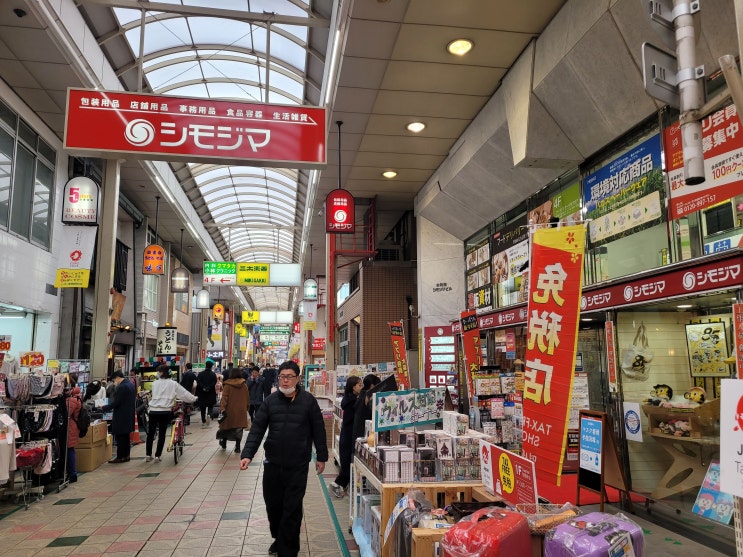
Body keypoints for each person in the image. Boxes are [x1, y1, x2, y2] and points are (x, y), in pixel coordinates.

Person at [240, 361, 328, 557]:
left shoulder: (308, 401)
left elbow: (319, 430)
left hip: (298, 464)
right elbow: (257, 429)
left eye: (289, 377)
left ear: (297, 379)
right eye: (282, 377)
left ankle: (288, 550)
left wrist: (322, 456)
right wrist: (247, 454)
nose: (285, 380)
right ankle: (279, 538)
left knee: (292, 508)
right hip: (273, 464)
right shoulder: (270, 401)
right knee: (273, 507)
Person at [146, 364, 198, 463]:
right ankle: (157, 456)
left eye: (159, 372)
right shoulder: (173, 384)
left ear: (162, 373)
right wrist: (194, 399)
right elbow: (184, 394)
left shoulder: (154, 383)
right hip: (165, 411)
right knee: (162, 433)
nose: (158, 373)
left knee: (150, 433)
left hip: (153, 411)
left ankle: (148, 455)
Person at [329, 375, 362, 498]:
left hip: (346, 435)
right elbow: (350, 420)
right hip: (348, 436)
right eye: (359, 385)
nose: (361, 387)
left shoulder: (348, 399)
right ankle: (336, 485)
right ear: (353, 387)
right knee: (347, 465)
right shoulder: (352, 402)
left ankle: (340, 486)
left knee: (347, 464)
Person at [102, 369, 136, 463]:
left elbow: (116, 402)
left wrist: (104, 407)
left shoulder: (122, 387)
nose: (114, 382)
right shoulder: (130, 384)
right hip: (128, 414)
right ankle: (126, 456)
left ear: (117, 378)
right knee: (126, 437)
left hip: (121, 415)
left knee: (120, 437)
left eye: (113, 380)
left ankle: (120, 456)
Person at [218, 366, 250, 453]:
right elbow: (247, 398)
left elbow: (224, 398)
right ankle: (238, 447)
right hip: (241, 410)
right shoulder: (244, 385)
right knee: (239, 429)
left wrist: (223, 408)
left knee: (225, 427)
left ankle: (224, 443)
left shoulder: (227, 385)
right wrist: (246, 408)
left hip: (229, 410)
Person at [352, 374, 381, 444]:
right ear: (372, 386)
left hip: (358, 431)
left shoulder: (361, 394)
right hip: (363, 432)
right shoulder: (369, 396)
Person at [64, 373, 82, 483]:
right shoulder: (74, 396)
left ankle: (72, 474)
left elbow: (67, 413)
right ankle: (71, 472)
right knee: (70, 449)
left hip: (70, 427)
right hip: (72, 426)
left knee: (69, 449)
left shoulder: (72, 398)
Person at [196, 359, 218, 427]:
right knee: (210, 406)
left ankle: (203, 420)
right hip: (210, 393)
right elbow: (214, 382)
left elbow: (198, 382)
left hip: (202, 393)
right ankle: (209, 414)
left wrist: (203, 387)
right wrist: (209, 388)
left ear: (205, 366)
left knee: (202, 407)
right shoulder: (213, 374)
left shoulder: (200, 374)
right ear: (211, 366)